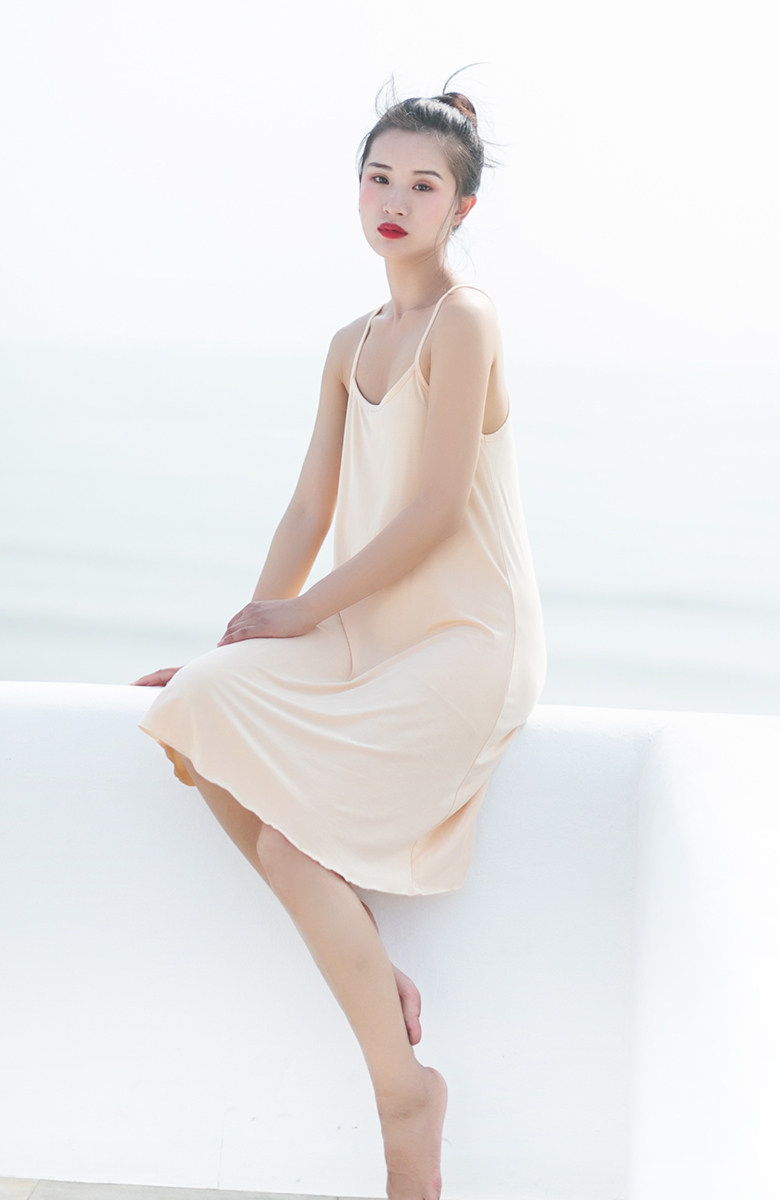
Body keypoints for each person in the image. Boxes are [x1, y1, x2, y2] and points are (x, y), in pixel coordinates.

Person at [134, 83, 546, 1200]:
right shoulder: (346, 344)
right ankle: (369, 953)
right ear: (357, 191)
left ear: (461, 207)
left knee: (285, 849)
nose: (394, 200)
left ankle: (403, 1098)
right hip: (368, 631)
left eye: (423, 185)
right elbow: (308, 508)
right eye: (379, 178)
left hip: (466, 639)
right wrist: (242, 643)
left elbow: (436, 511)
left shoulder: (466, 320)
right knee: (190, 708)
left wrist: (302, 615)